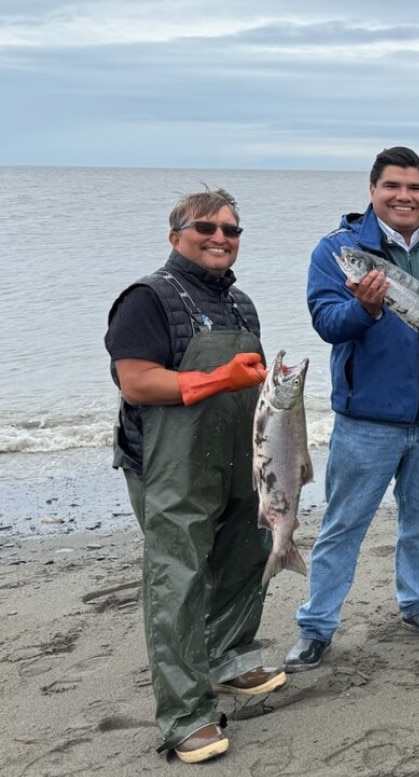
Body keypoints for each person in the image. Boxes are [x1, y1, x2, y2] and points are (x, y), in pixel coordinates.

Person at [288, 147, 419, 670]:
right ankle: (317, 626)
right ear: (373, 190)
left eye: (415, 188)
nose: (404, 196)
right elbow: (326, 322)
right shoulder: (337, 251)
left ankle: (418, 604)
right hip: (367, 420)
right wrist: (365, 308)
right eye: (393, 187)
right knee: (343, 525)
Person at [105, 187, 284, 763]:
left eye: (231, 231)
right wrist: (218, 380)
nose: (220, 238)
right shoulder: (146, 298)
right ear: (175, 234)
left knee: (244, 556)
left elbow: (251, 386)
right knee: (176, 581)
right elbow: (135, 381)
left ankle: (231, 658)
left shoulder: (241, 304)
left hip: (236, 459)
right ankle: (185, 715)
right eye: (206, 227)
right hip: (169, 468)